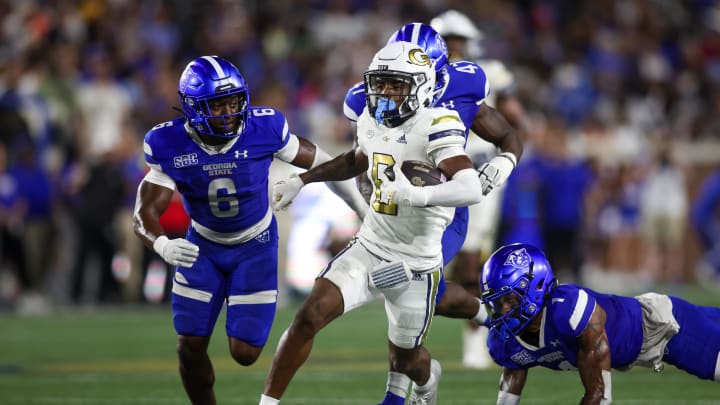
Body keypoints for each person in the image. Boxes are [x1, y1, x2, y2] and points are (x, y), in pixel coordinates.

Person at [259, 41, 485, 405]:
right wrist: (303, 180)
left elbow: (470, 186)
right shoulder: (370, 117)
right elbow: (357, 159)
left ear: (421, 86)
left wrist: (416, 196)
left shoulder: (437, 122)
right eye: (381, 83)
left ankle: (428, 384)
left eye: (396, 84)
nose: (385, 92)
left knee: (408, 360)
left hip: (416, 261)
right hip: (371, 244)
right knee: (308, 316)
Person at [132, 55, 366, 405]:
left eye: (233, 101)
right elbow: (145, 210)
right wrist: (162, 243)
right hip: (203, 247)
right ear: (193, 107)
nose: (229, 112)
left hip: (255, 245)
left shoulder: (264, 128)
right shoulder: (167, 143)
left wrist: (360, 209)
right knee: (189, 346)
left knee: (245, 352)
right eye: (218, 104)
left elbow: (327, 164)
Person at [342, 22, 523, 398]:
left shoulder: (464, 84)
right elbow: (362, 162)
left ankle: (399, 393)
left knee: (414, 287)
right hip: (395, 211)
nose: (399, 84)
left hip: (444, 206)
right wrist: (371, 201)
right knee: (417, 293)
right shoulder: (368, 98)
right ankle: (488, 315)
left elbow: (507, 134)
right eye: (393, 76)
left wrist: (505, 162)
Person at [479, 243, 720, 404]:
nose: (504, 310)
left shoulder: (567, 309)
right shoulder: (506, 340)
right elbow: (514, 367)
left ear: (536, 287)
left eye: (509, 299)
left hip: (665, 328)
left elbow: (599, 395)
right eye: (498, 303)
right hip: (646, 337)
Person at [430, 9, 527, 369]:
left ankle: (477, 340)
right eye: (448, 40)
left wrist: (506, 162)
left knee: (474, 259)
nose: (453, 46)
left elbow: (514, 121)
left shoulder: (485, 73)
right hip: (433, 168)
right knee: (436, 259)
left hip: (478, 167)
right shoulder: (425, 73)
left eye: (458, 40)